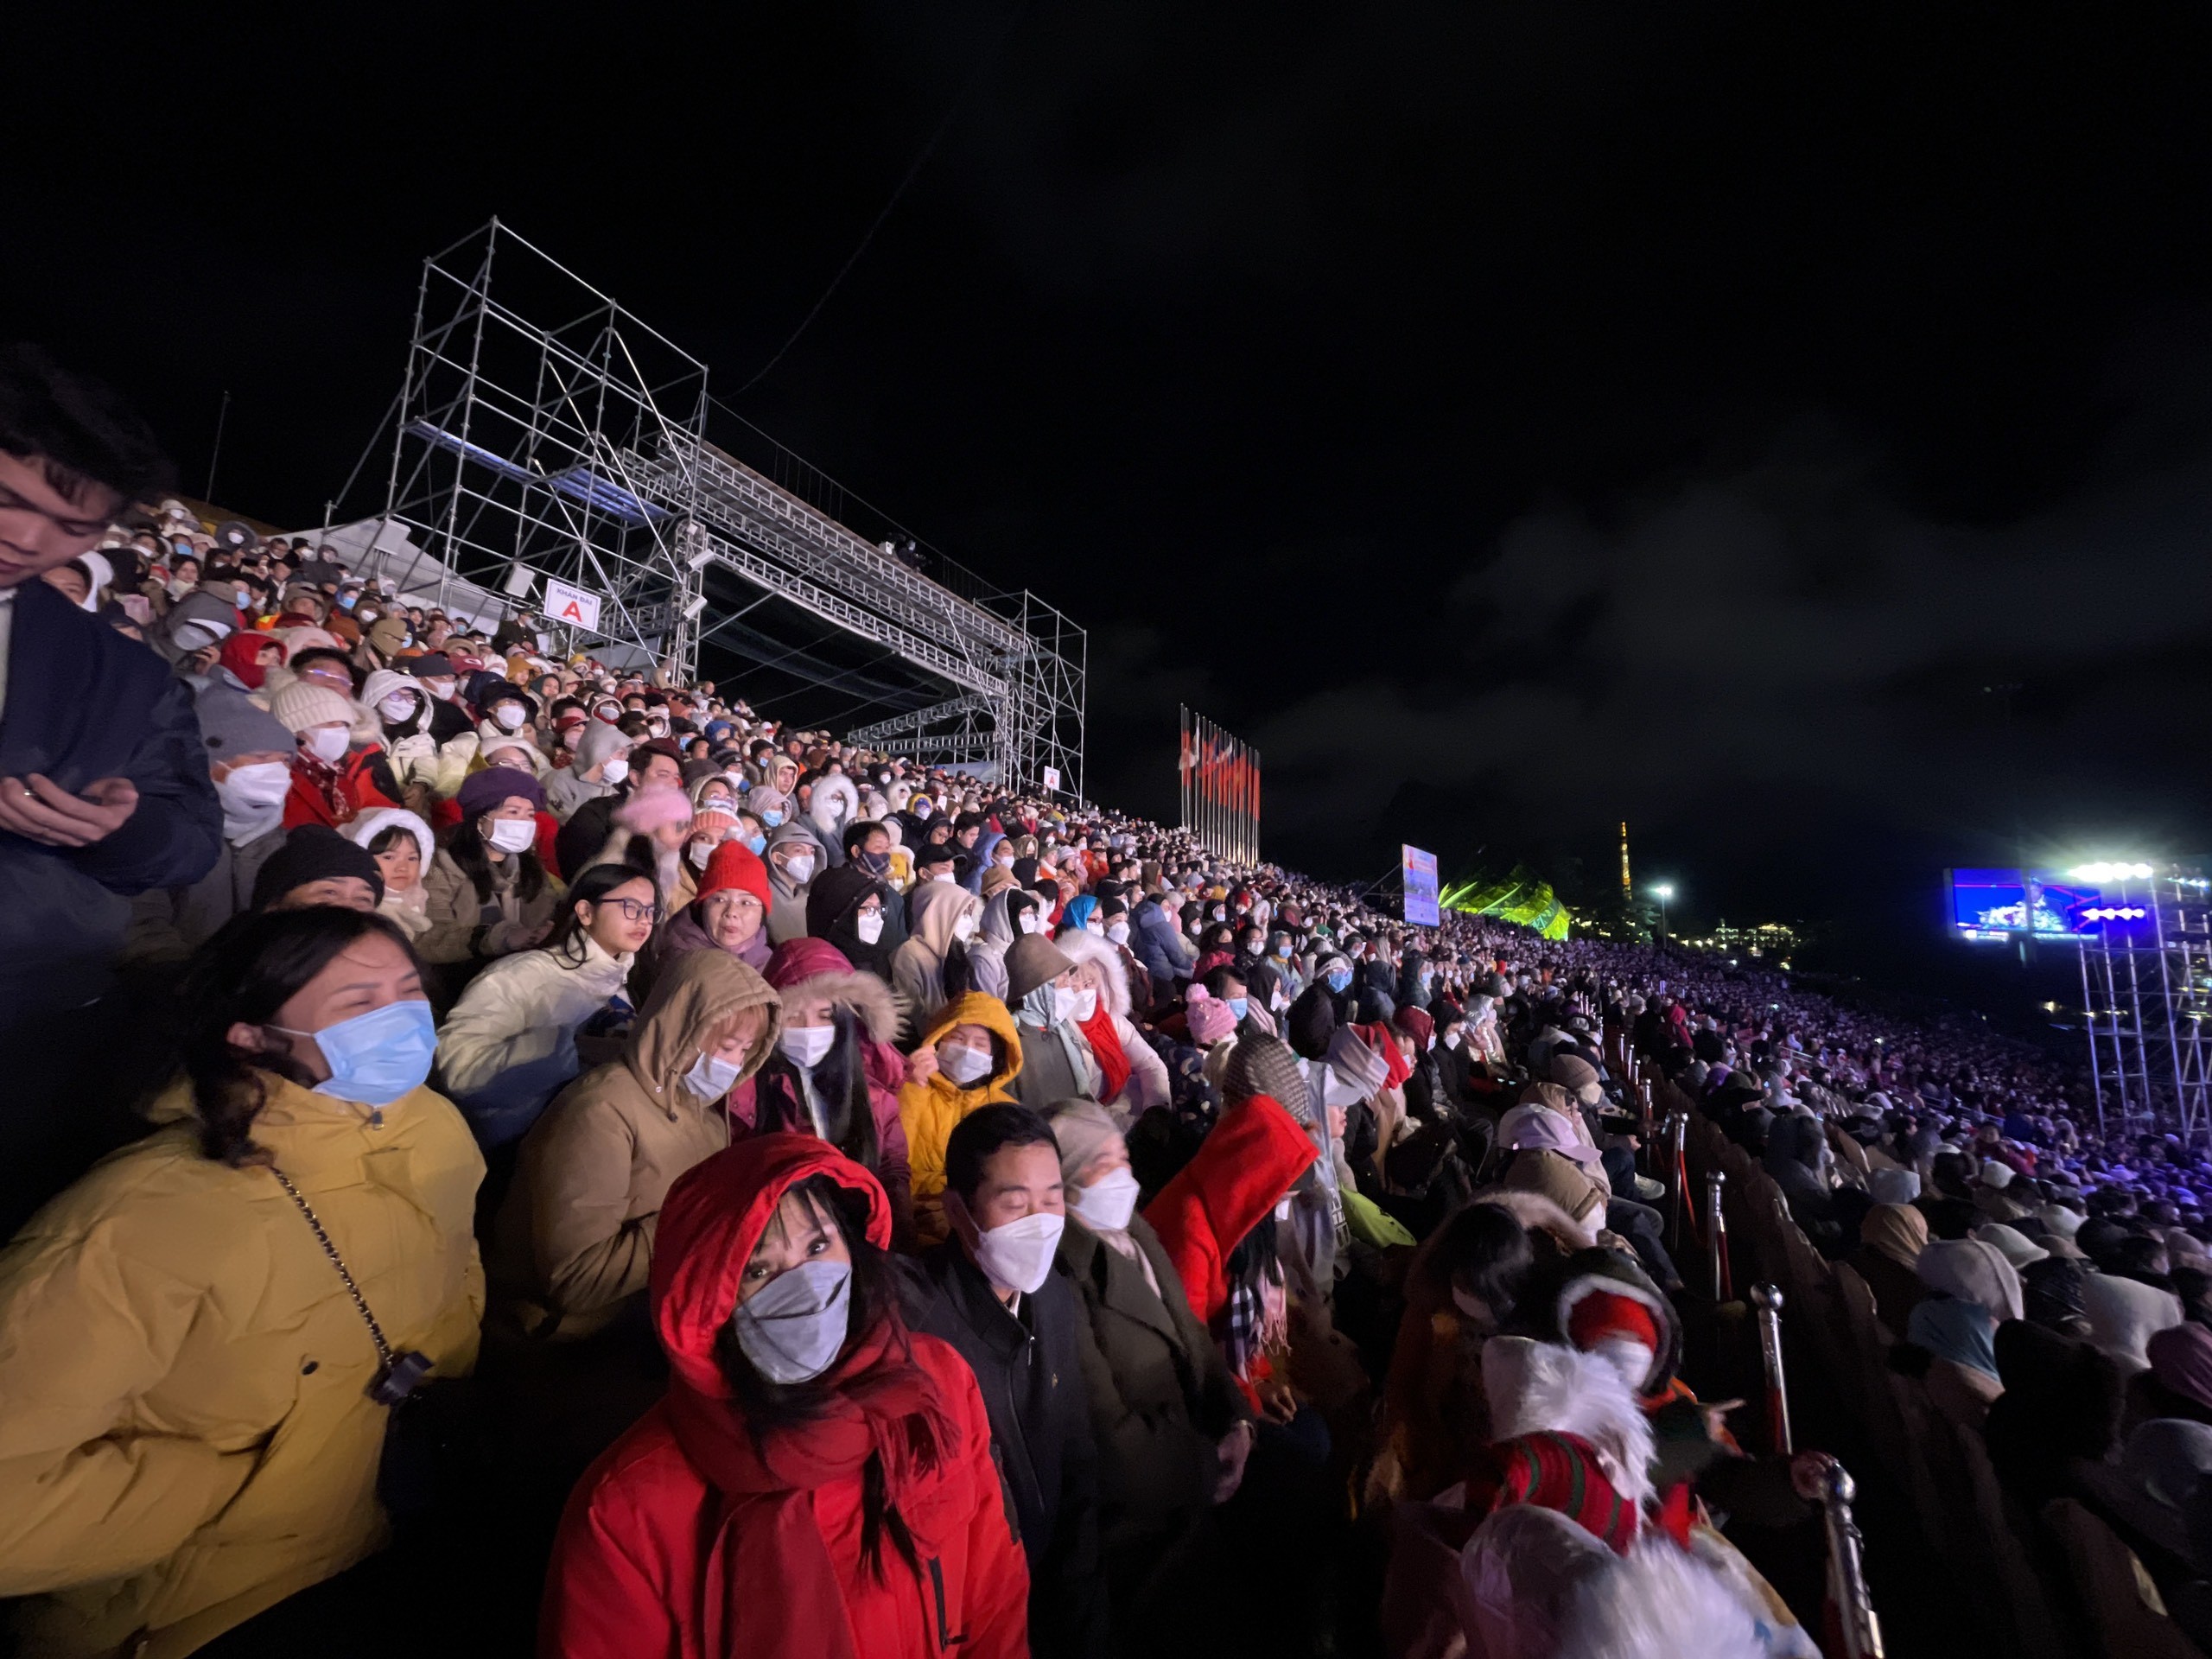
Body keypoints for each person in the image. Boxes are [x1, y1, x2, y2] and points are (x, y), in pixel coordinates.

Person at [0, 907, 484, 1656]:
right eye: (359, 1004)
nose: (402, 1021)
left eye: (409, 990)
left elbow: (457, 1272)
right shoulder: (138, 1224)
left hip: (382, 1521)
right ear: (251, 1036)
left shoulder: (432, 1128)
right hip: (200, 1607)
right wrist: (220, 1489)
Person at [541, 1134, 1029, 1658]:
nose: (806, 1283)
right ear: (713, 1306)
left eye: (818, 1247)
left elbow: (994, 1596)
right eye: (760, 1270)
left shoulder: (934, 1387)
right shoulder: (626, 1511)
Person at [0, 347, 219, 1231]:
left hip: (25, 1031)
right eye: (13, 499)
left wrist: (120, 831)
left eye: (72, 529)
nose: (28, 539)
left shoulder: (122, 675)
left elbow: (192, 837)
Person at [489, 948, 779, 1341]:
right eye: (726, 1046)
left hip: (656, 1318)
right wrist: (699, 1215)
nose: (734, 1064)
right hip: (578, 1343)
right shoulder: (599, 1113)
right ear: (682, 1030)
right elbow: (577, 1281)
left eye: (746, 1050)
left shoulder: (703, 1111)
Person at [903, 1105, 1107, 1658]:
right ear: (956, 1211)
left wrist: (1079, 1600)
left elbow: (1076, 1456)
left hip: (1056, 1593)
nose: (1039, 1222)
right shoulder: (920, 1335)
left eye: (1052, 1199)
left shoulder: (1054, 1299)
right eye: (1014, 1204)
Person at [1046, 1098, 1250, 1632]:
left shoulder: (1135, 1231)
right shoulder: (1062, 1275)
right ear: (1066, 1181)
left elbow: (1192, 1335)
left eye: (1123, 1157)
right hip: (1140, 1525)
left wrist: (1236, 1418)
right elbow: (1111, 1440)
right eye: (1102, 1163)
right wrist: (1208, 1462)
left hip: (1193, 1466)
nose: (1123, 1174)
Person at [435, 864, 654, 1148]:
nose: (644, 920)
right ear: (586, 912)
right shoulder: (522, 975)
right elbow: (458, 1068)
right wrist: (568, 1050)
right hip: (523, 1147)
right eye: (631, 907)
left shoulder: (629, 978)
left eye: (651, 911)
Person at [733, 937, 916, 1243]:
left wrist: (896, 1249)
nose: (809, 1030)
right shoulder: (746, 1096)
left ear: (844, 1022)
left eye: (824, 1016)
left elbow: (893, 1173)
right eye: (794, 1016)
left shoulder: (877, 1099)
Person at [901, 990, 1027, 1245]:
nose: (967, 1050)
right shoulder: (910, 1088)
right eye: (957, 1038)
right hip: (913, 1225)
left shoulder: (1006, 1111)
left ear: (996, 1055)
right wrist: (908, 1084)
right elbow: (893, 1163)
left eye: (980, 1044)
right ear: (938, 1040)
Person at [418, 766, 562, 970]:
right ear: (480, 819)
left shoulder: (529, 867)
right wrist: (494, 938)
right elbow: (429, 939)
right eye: (513, 812)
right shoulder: (442, 866)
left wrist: (547, 931)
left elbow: (549, 911)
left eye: (530, 814)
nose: (524, 822)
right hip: (460, 976)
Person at [1005, 933, 1102, 1109]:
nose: (1069, 988)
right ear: (1038, 989)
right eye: (1062, 981)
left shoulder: (1061, 1027)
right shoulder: (1012, 1038)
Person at [656, 836, 772, 971]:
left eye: (746, 903)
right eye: (719, 900)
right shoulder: (676, 962)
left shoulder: (772, 966)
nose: (731, 912)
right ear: (702, 906)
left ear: (763, 912)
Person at [891, 875, 982, 1036]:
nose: (967, 921)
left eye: (968, 914)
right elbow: (914, 1015)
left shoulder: (954, 950)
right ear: (939, 912)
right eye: (962, 914)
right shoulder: (909, 954)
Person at [341, 806, 437, 941]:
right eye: (389, 857)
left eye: (412, 858)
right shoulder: (346, 907)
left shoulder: (419, 897)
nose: (403, 867)